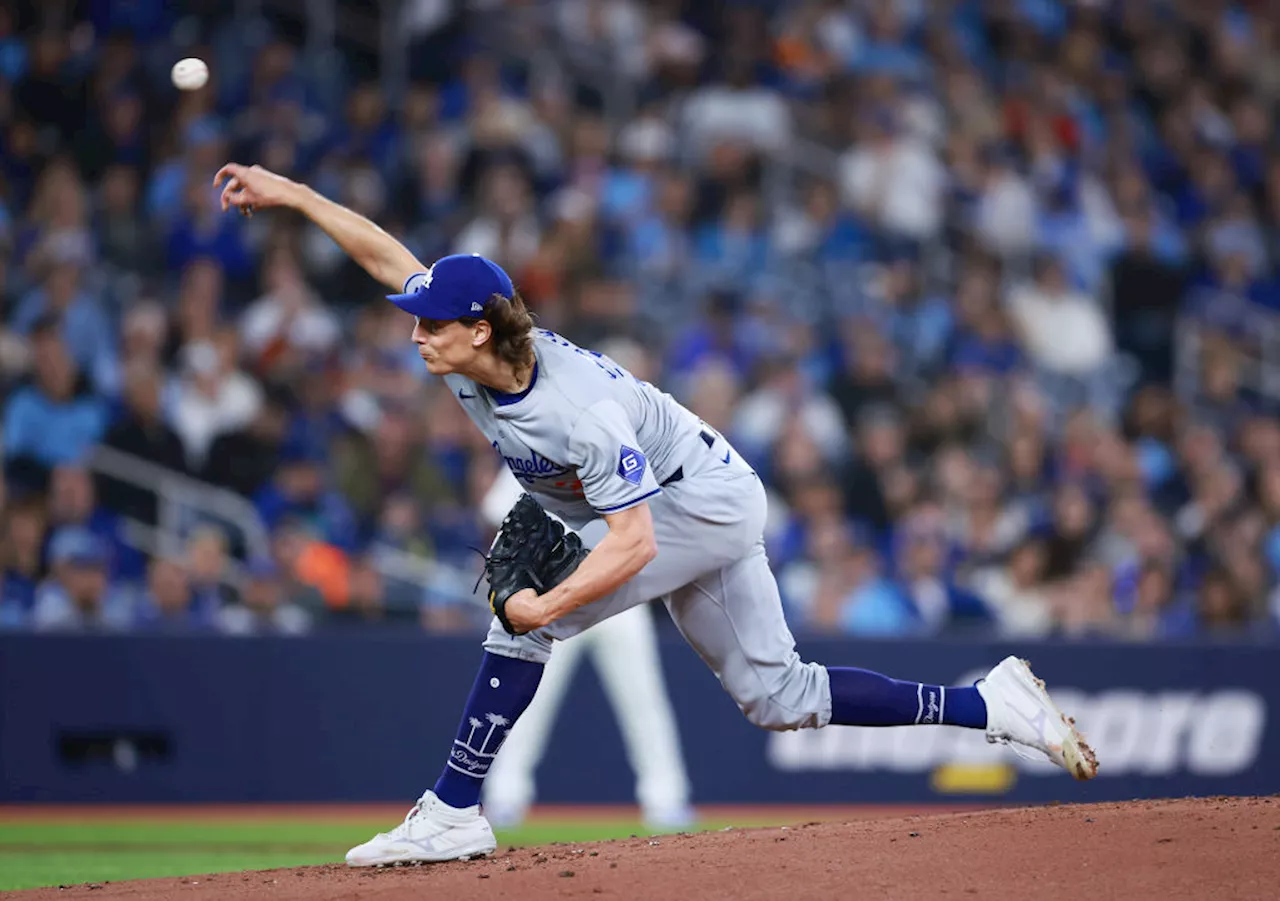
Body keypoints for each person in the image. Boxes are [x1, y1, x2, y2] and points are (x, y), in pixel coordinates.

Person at [213, 162, 1099, 868]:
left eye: (431, 325)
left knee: (517, 625)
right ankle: (989, 702)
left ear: (479, 330)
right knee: (779, 696)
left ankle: (450, 808)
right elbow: (386, 256)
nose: (415, 335)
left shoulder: (577, 412)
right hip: (697, 490)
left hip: (695, 503)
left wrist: (543, 608)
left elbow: (632, 540)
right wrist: (291, 194)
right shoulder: (471, 348)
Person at [478, 468, 694, 831]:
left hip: (619, 594)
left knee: (644, 702)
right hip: (557, 597)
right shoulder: (536, 453)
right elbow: (494, 510)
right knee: (532, 701)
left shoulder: (614, 447)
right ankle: (506, 796)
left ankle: (666, 799)